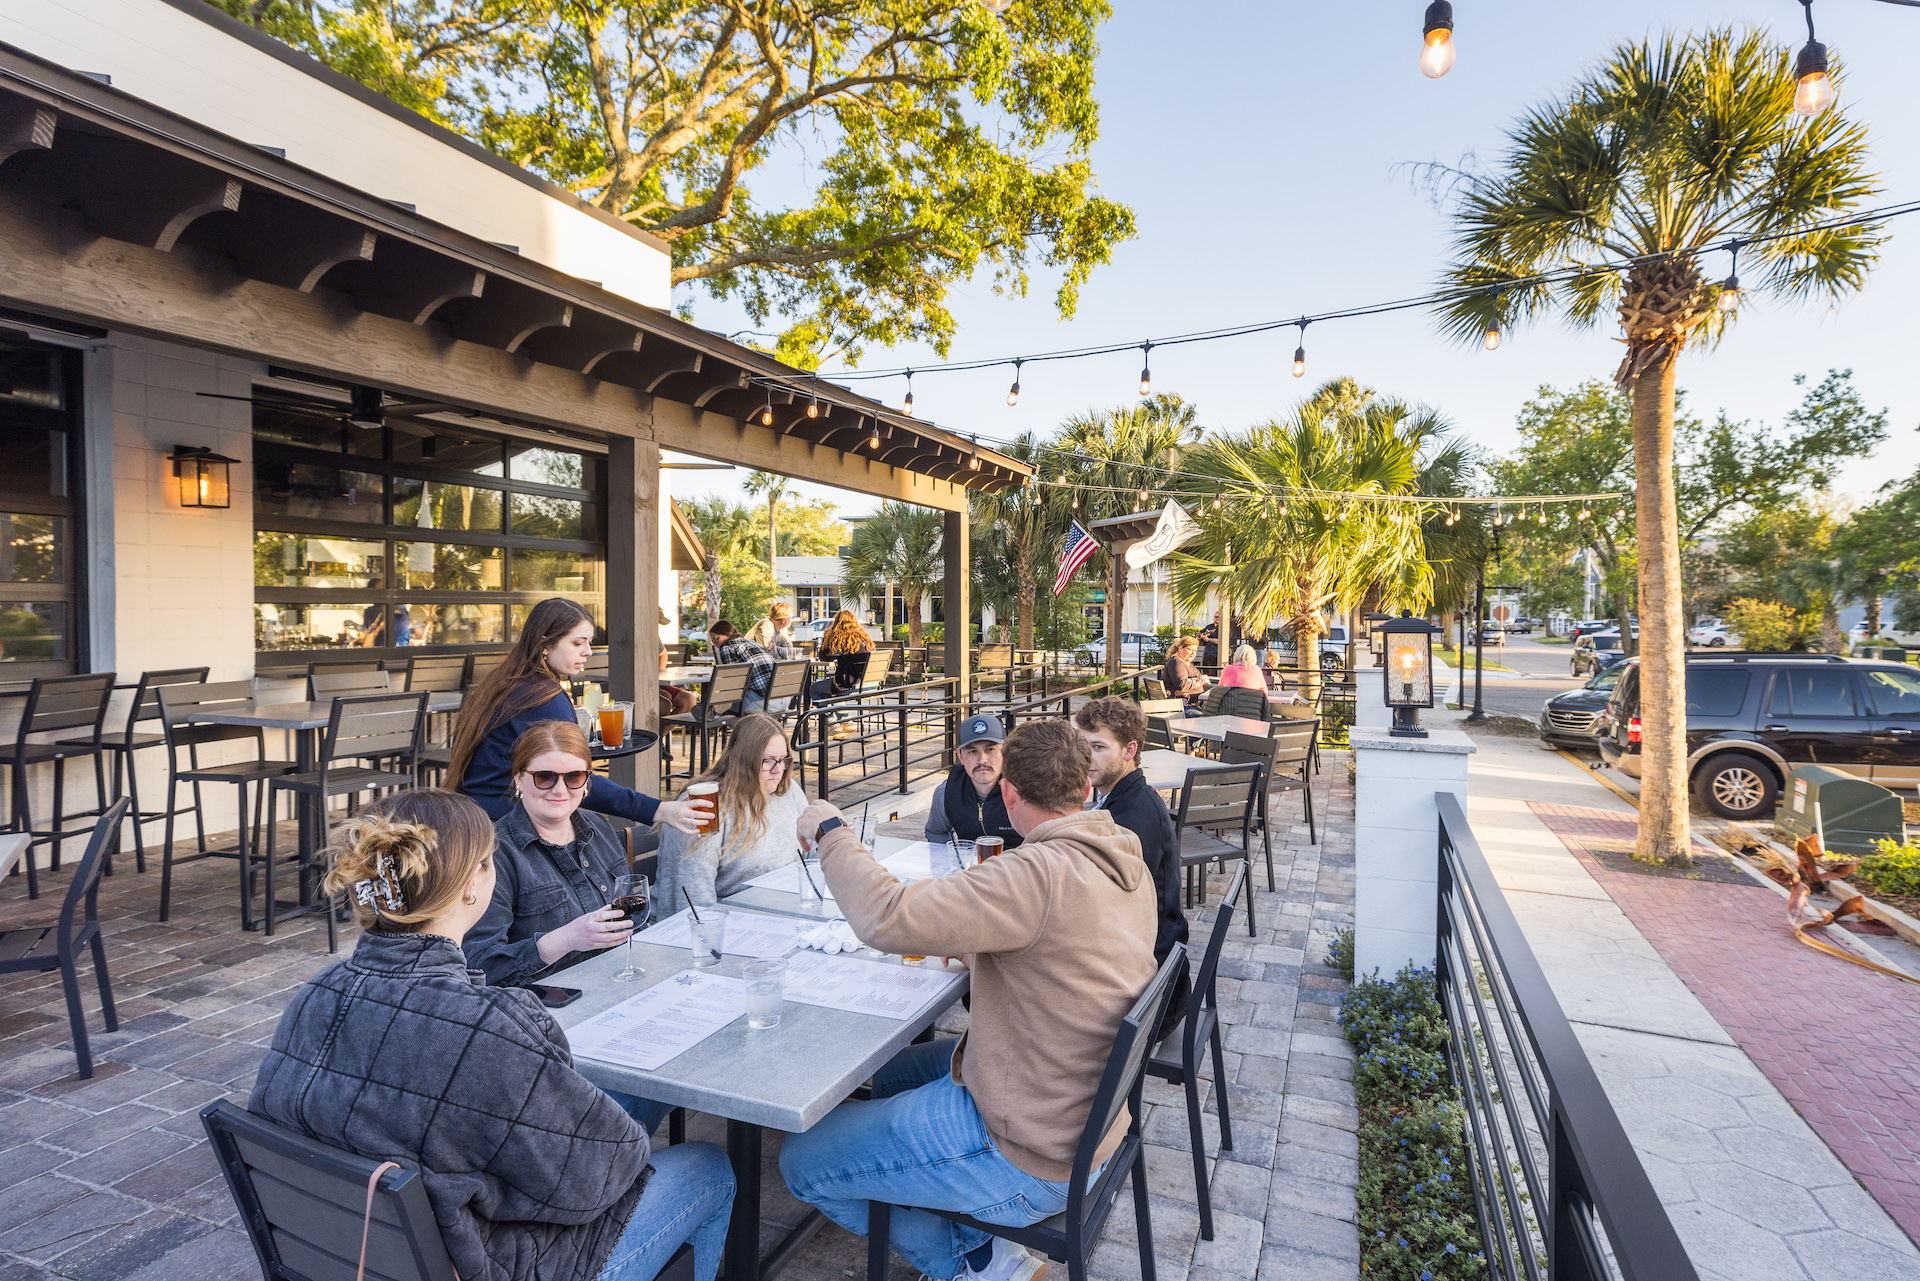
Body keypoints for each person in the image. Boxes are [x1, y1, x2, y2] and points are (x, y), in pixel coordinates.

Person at [249, 789, 736, 1281]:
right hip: (490, 1261)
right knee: (707, 1167)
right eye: (491, 861)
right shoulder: (490, 1023)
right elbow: (601, 1176)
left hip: (348, 1252)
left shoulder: (316, 993)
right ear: (471, 884)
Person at [778, 720, 1158, 1281]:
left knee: (801, 1161)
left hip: (1032, 1152)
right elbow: (1066, 951)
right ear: (1085, 788)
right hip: (1083, 1114)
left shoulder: (1031, 874)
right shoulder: (1121, 854)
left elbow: (885, 917)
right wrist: (982, 951)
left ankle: (970, 1262)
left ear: (1008, 792)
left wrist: (833, 831)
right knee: (890, 1075)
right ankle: (953, 1218)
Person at [446, 596, 711, 834]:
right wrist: (658, 810)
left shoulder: (503, 683)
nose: (588, 651)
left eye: (589, 642)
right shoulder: (542, 697)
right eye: (577, 643)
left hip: (472, 820)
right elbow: (574, 779)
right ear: (545, 644)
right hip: (507, 831)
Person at [1073, 697, 1189, 1032]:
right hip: (1150, 973)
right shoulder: (1121, 798)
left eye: (1098, 747)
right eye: (1082, 746)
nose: (1086, 757)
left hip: (1150, 997)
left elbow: (1101, 910)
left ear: (1129, 751)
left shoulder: (1132, 817)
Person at [655, 712, 809, 911]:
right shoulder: (705, 805)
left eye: (783, 760)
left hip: (788, 909)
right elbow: (691, 898)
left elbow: (813, 853)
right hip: (731, 919)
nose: (778, 770)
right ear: (744, 761)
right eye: (768, 760)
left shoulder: (788, 789)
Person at [923, 714, 1023, 851]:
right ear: (960, 756)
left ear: (1005, 752)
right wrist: (954, 857)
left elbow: (1045, 838)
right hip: (971, 863)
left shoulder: (1025, 789)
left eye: (990, 749)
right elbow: (936, 832)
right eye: (972, 751)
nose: (982, 760)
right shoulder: (946, 792)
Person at [811, 609, 874, 739]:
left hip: (849, 685)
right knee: (832, 690)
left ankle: (833, 723)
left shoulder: (842, 640)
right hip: (870, 685)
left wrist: (826, 638)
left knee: (814, 689)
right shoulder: (864, 639)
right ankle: (844, 722)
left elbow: (824, 657)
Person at [708, 619, 781, 714]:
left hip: (765, 703)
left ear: (726, 634)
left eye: (716, 639)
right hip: (782, 699)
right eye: (713, 642)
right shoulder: (752, 643)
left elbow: (733, 684)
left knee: (726, 701)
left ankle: (709, 712)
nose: (715, 644)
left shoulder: (727, 647)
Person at [1162, 635, 1209, 705]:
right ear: (1181, 649)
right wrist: (1202, 680)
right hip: (1184, 704)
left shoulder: (1185, 661)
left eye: (1195, 651)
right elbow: (1182, 684)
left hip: (1194, 701)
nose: (1193, 653)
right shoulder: (1177, 662)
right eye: (1189, 649)